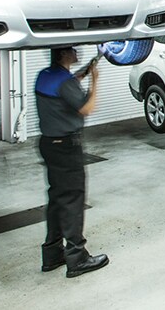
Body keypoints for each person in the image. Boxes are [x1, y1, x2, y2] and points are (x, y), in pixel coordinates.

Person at [35, 46, 109, 278]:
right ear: (64, 54)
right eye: (73, 49)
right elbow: (87, 107)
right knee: (73, 199)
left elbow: (65, 86)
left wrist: (84, 73)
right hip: (67, 147)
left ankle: (52, 254)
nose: (77, 51)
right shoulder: (66, 83)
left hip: (48, 144)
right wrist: (94, 82)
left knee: (57, 198)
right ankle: (77, 258)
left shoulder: (46, 75)